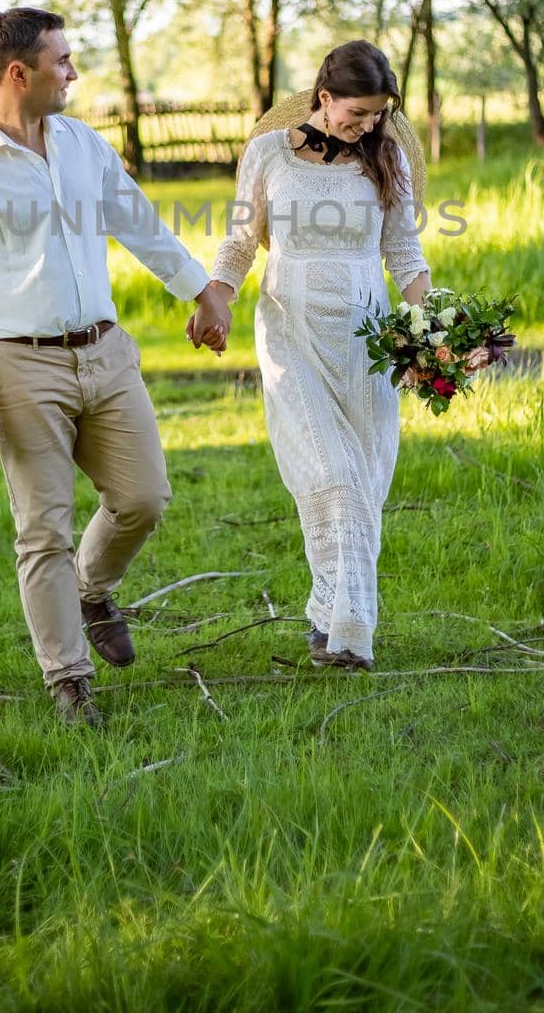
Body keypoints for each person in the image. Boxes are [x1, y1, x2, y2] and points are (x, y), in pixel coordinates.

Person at [0, 7, 231, 728]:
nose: (74, 73)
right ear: (18, 73)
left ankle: (93, 590)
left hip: (106, 352)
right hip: (20, 367)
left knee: (142, 498)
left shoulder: (83, 145)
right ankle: (68, 680)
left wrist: (203, 294)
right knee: (42, 529)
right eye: (62, 61)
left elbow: (139, 223)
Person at [189, 41, 431, 671]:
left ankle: (328, 618)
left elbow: (404, 255)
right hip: (290, 332)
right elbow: (241, 241)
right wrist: (215, 301)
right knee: (333, 475)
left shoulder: (388, 158)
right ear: (324, 98)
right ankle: (350, 633)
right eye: (358, 112)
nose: (369, 125)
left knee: (365, 480)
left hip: (367, 339)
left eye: (379, 114)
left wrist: (432, 331)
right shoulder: (268, 153)